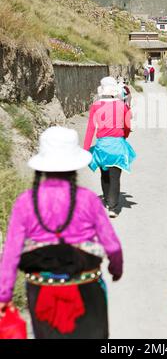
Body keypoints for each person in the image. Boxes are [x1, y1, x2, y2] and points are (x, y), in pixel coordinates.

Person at [0, 126, 123, 339]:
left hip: (42, 291)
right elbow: (112, 245)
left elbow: (11, 253)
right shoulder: (88, 200)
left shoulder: (26, 202)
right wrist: (115, 268)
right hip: (86, 286)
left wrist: (4, 294)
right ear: (74, 164)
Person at [84, 76, 136, 218]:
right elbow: (127, 126)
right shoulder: (122, 105)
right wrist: (123, 136)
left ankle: (107, 200)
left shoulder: (95, 106)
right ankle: (113, 207)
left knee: (104, 174)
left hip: (102, 146)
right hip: (117, 145)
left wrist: (85, 148)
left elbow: (90, 129)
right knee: (115, 176)